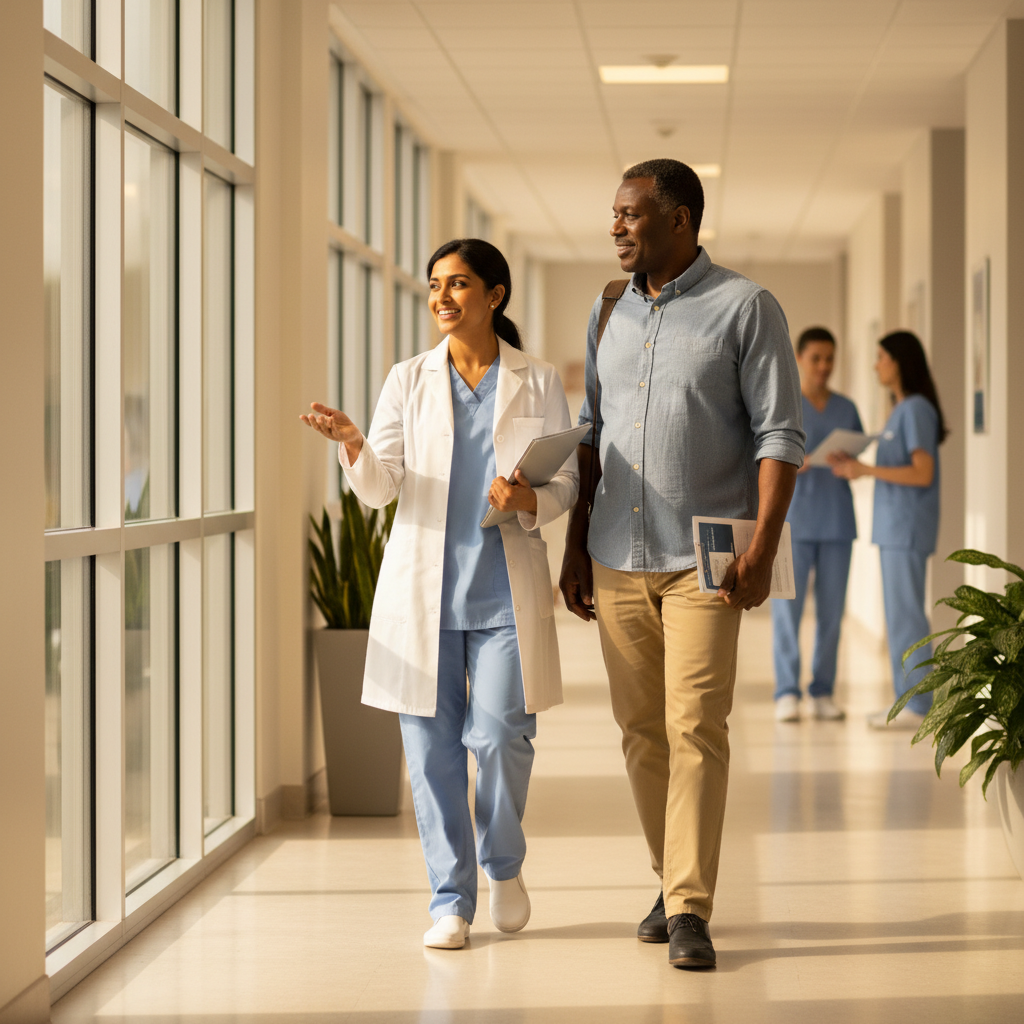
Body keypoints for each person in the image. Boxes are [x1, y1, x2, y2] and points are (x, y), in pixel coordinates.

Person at [559, 159, 804, 969]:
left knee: (697, 724)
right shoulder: (607, 312)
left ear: (680, 219)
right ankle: (671, 880)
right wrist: (573, 545)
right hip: (615, 555)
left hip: (708, 563)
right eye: (615, 215)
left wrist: (763, 545)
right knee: (640, 733)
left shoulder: (745, 307)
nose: (617, 227)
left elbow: (778, 435)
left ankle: (691, 906)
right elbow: (592, 432)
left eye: (631, 214)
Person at [301, 238, 579, 949]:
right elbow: (379, 490)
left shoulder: (538, 379)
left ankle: (503, 865)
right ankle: (450, 901)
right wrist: (356, 445)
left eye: (458, 284)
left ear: (495, 294)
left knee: (501, 736)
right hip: (424, 595)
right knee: (430, 754)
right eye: (434, 286)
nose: (442, 298)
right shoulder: (408, 378)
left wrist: (527, 497)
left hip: (504, 589)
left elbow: (566, 485)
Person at [831, 330, 946, 730]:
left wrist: (864, 470)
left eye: (881, 357)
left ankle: (917, 704)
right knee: (901, 617)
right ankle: (909, 700)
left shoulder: (915, 410)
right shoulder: (902, 410)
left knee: (907, 619)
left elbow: (922, 471)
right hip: (897, 529)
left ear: (899, 361)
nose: (875, 364)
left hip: (906, 529)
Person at [772, 327, 863, 723]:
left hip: (837, 522)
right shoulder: (784, 405)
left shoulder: (847, 408)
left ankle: (823, 691)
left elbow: (857, 456)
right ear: (800, 358)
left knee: (832, 613)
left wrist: (851, 467)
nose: (824, 366)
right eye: (817, 359)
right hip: (792, 521)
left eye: (830, 358)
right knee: (786, 613)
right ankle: (787, 691)